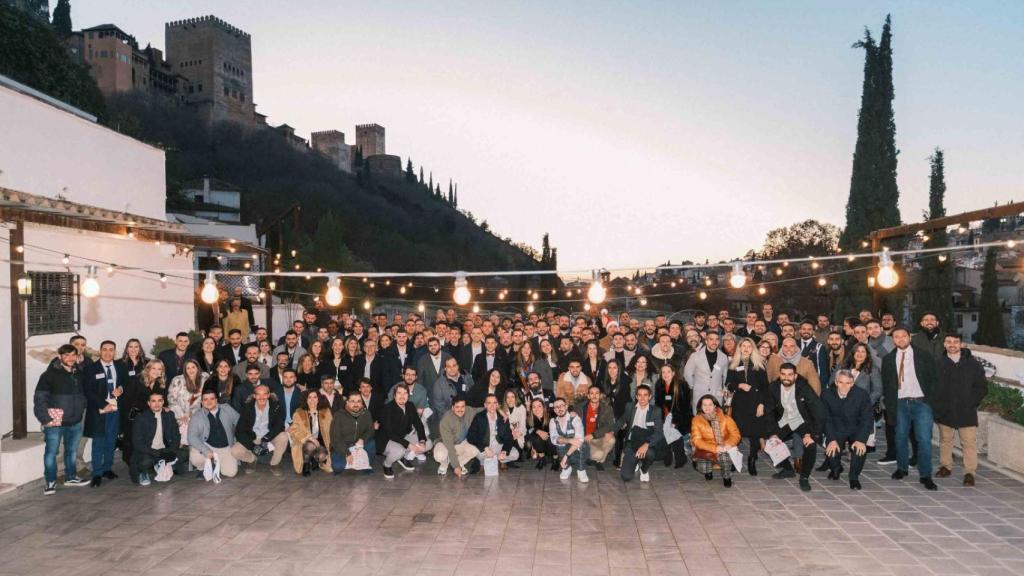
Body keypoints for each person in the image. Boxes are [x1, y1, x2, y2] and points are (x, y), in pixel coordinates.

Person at [881, 326, 938, 490]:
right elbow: (887, 385)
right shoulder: (889, 359)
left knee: (924, 440)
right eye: (896, 337)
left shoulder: (923, 356)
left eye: (903, 336)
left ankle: (925, 475)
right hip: (900, 404)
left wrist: (929, 401)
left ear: (909, 338)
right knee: (900, 437)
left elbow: (934, 379)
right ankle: (902, 468)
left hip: (921, 403)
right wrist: (890, 407)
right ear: (893, 340)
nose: (900, 339)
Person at [34, 344, 90, 494]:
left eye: (73, 355)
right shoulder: (49, 375)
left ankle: (71, 476)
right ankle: (50, 481)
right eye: (66, 355)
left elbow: (84, 394)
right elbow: (40, 398)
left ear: (77, 357)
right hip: (54, 422)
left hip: (75, 421)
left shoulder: (79, 374)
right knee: (51, 453)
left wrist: (82, 406)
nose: (70, 358)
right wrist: (45, 418)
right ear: (60, 357)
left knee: (71, 451)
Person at [933, 333, 987, 487]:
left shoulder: (973, 364)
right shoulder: (938, 363)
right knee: (945, 440)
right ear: (944, 344)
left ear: (961, 344)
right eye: (948, 342)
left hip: (966, 411)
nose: (952, 344)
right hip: (945, 410)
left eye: (955, 342)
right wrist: (938, 406)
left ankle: (969, 473)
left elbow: (981, 387)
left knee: (969, 442)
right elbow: (932, 387)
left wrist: (971, 402)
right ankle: (945, 467)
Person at [764, 363, 825, 492]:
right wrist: (772, 432)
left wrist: (813, 434)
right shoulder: (773, 388)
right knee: (770, 442)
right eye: (783, 374)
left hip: (803, 421)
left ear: (795, 376)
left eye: (790, 374)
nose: (786, 377)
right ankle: (787, 469)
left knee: (810, 445)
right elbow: (768, 411)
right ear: (780, 375)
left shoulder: (804, 388)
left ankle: (804, 477)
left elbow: (819, 412)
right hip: (785, 420)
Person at [82, 340, 126, 487]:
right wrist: (103, 404)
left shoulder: (120, 366)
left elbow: (125, 382)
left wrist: (121, 388)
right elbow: (88, 391)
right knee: (98, 442)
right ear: (100, 351)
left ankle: (107, 468)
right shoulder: (91, 369)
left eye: (111, 350)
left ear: (115, 352)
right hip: (99, 411)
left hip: (115, 410)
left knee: (111, 441)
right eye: (105, 349)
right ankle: (97, 474)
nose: (108, 352)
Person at [821, 370, 873, 490]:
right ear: (836, 382)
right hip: (836, 428)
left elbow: (867, 419)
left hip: (855, 428)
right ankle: (836, 468)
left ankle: (854, 477)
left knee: (860, 450)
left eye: (848, 383)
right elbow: (825, 419)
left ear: (852, 383)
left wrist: (861, 440)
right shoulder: (826, 394)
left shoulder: (862, 395)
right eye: (841, 382)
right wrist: (831, 439)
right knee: (832, 450)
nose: (844, 386)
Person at [726, 338, 768, 476]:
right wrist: (739, 385)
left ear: (753, 349)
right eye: (743, 346)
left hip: (755, 402)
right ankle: (734, 460)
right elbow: (728, 384)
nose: (746, 348)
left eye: (749, 346)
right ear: (739, 348)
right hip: (739, 404)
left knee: (754, 434)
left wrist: (762, 404)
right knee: (736, 434)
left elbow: (765, 388)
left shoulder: (759, 364)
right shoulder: (733, 364)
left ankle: (752, 460)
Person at [232, 383, 289, 474]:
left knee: (283, 436)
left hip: (269, 436)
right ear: (254, 396)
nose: (262, 397)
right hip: (253, 437)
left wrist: (266, 438)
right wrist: (252, 446)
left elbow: (279, 426)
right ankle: (252, 460)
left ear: (269, 395)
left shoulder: (276, 406)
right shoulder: (247, 408)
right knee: (235, 451)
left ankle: (274, 464)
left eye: (265, 394)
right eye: (258, 394)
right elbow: (239, 431)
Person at [131, 390, 181, 486]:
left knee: (183, 455)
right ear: (149, 403)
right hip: (148, 451)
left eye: (159, 400)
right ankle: (144, 472)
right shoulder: (141, 418)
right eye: (153, 401)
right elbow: (137, 443)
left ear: (163, 402)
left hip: (164, 449)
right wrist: (157, 453)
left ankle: (160, 463)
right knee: (145, 461)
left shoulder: (169, 415)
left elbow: (176, 436)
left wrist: (171, 451)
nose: (157, 404)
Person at [188, 390, 241, 479]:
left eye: (212, 399)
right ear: (202, 402)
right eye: (205, 399)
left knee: (230, 473)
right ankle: (202, 468)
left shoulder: (226, 409)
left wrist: (238, 441)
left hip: (226, 447)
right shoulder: (197, 415)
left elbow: (241, 423)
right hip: (208, 446)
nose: (209, 402)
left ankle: (216, 463)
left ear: (216, 400)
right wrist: (205, 450)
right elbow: (191, 437)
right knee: (195, 456)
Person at [615, 385, 663, 482]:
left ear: (650, 397)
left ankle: (644, 469)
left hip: (647, 440)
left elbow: (659, 433)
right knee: (626, 477)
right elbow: (621, 420)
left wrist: (646, 444)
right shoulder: (630, 407)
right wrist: (612, 431)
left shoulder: (656, 411)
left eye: (645, 395)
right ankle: (635, 461)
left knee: (650, 454)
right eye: (639, 395)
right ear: (636, 396)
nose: (642, 398)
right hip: (632, 441)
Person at [690, 394, 741, 487]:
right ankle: (708, 471)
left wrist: (728, 445)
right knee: (702, 468)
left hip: (724, 446)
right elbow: (696, 440)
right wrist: (714, 448)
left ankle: (727, 477)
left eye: (710, 404)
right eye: (704, 405)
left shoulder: (726, 418)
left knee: (725, 457)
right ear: (700, 407)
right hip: (706, 448)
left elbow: (735, 434)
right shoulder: (696, 420)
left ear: (715, 405)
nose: (707, 407)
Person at [379, 384, 428, 479]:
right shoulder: (387, 408)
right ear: (394, 395)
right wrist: (408, 444)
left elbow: (418, 424)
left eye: (405, 393)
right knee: (399, 451)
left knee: (428, 444)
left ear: (408, 395)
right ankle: (387, 464)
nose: (402, 396)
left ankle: (404, 456)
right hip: (387, 440)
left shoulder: (410, 405)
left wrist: (422, 440)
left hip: (403, 437)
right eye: (399, 393)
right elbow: (390, 433)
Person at [467, 394, 520, 472]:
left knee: (515, 454)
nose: (492, 406)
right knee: (475, 452)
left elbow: (508, 437)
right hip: (485, 448)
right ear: (485, 405)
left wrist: (504, 451)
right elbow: (471, 436)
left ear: (497, 405)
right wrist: (485, 448)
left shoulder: (503, 418)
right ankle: (484, 462)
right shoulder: (479, 417)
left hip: (499, 446)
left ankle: (500, 460)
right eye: (489, 403)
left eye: (494, 403)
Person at [330, 390, 377, 474]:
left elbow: (371, 430)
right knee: (338, 467)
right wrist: (346, 453)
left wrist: (363, 438)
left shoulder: (366, 413)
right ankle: (355, 462)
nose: (356, 404)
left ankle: (364, 465)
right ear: (347, 402)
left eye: (359, 401)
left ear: (362, 403)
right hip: (344, 446)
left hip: (359, 444)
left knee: (371, 443)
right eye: (353, 401)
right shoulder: (339, 415)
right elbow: (335, 438)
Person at [288, 389, 333, 476]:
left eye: (315, 397)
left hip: (321, 441)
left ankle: (315, 460)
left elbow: (331, 428)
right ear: (306, 399)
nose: (312, 400)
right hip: (304, 441)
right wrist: (310, 438)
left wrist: (331, 444)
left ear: (318, 399)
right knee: (310, 445)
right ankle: (306, 463)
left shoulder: (326, 411)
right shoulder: (299, 412)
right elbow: (294, 430)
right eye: (309, 397)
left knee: (322, 456)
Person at [435, 395, 482, 476]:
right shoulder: (446, 420)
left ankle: (459, 463)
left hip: (461, 442)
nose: (460, 410)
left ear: (465, 406)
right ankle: (444, 464)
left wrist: (497, 409)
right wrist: (456, 467)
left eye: (462, 406)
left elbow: (481, 410)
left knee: (475, 450)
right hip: (445, 443)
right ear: (452, 408)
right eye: (457, 407)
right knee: (439, 455)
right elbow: (449, 446)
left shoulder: (469, 410)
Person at [655, 363, 690, 468]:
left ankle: (681, 458)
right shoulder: (659, 384)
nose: (666, 374)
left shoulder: (682, 385)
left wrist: (675, 421)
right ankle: (667, 455)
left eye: (668, 372)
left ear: (673, 373)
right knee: (665, 430)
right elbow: (658, 403)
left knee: (674, 432)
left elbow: (685, 406)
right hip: (664, 416)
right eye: (663, 372)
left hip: (680, 416)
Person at [167, 359, 208, 450]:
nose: (191, 370)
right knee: (181, 429)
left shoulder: (204, 379)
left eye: (193, 367)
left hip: (196, 414)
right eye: (188, 368)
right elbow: (171, 399)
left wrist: (190, 415)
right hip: (179, 414)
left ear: (198, 368)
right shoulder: (178, 380)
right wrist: (181, 415)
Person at [683, 331, 729, 411]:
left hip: (716, 396)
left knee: (716, 420)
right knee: (699, 420)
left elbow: (725, 377)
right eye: (711, 339)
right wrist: (693, 386)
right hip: (700, 395)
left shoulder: (724, 357)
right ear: (706, 341)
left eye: (717, 339)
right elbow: (687, 373)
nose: (714, 342)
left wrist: (723, 391)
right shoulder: (695, 356)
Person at [429, 357, 474, 434]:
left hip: (468, 414)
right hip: (449, 417)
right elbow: (441, 408)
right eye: (449, 367)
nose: (452, 369)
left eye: (454, 365)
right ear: (445, 368)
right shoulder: (438, 384)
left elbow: (473, 394)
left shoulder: (466, 377)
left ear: (458, 366)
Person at [576, 384, 616, 471]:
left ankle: (599, 461)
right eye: (592, 393)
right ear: (588, 396)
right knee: (598, 455)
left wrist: (594, 435)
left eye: (597, 393)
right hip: (585, 439)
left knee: (612, 440)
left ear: (600, 395)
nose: (594, 396)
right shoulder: (580, 407)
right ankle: (596, 456)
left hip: (598, 437)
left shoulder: (607, 408)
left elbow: (610, 425)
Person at [549, 397, 589, 483]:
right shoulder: (553, 421)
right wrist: (569, 441)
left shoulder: (575, 418)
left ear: (566, 406)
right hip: (564, 449)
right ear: (554, 410)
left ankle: (581, 470)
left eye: (562, 406)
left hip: (575, 450)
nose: (559, 408)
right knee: (559, 443)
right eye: (557, 407)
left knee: (583, 445)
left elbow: (579, 440)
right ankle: (567, 468)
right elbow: (554, 439)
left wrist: (566, 456)